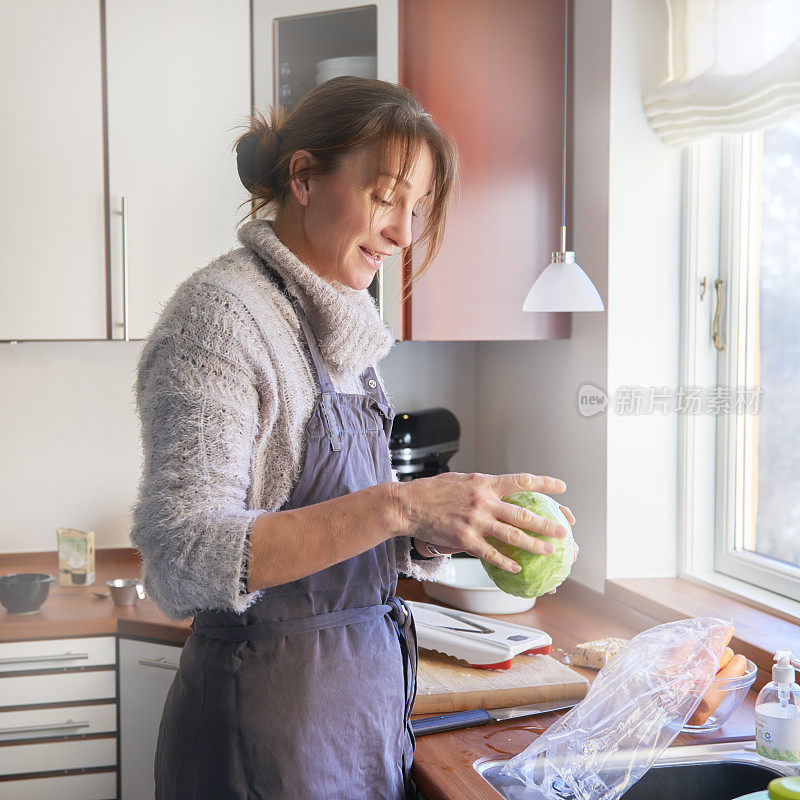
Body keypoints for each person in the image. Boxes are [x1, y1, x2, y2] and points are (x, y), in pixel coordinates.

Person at [131, 76, 574, 800]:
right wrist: (401, 507)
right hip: (262, 735)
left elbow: (348, 527)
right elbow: (181, 557)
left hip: (358, 721)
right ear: (304, 177)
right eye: (385, 196)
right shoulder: (219, 319)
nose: (403, 232)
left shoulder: (341, 327)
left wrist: (448, 522)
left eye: (417, 207)